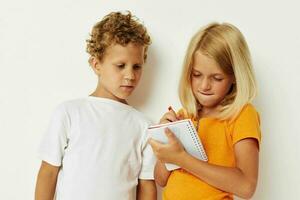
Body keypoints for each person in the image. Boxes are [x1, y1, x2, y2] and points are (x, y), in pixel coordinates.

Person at [35, 11, 156, 200]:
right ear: (96, 64)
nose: (130, 75)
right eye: (120, 65)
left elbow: (147, 186)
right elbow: (48, 172)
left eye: (137, 66)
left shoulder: (145, 126)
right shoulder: (69, 113)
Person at [149, 22, 261, 200]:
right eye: (196, 75)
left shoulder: (242, 114)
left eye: (216, 78)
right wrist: (166, 140)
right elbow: (160, 179)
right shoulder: (185, 115)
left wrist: (182, 159)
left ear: (234, 76)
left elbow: (246, 187)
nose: (204, 86)